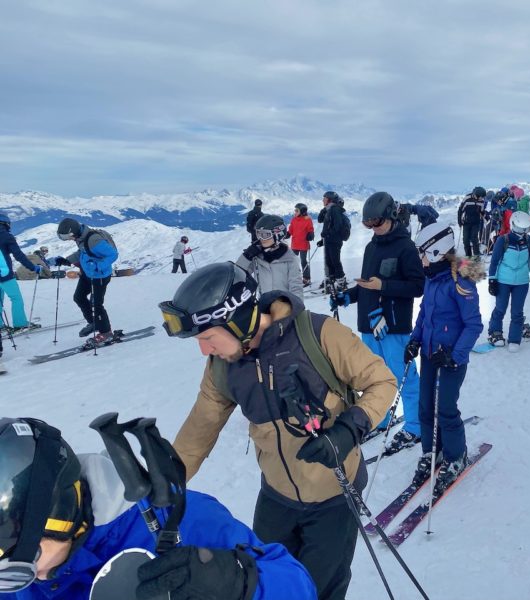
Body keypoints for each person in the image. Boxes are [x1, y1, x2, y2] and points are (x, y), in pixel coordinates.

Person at [159, 262, 395, 600]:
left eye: (208, 337)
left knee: (317, 592)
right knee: (267, 587)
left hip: (334, 498)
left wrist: (348, 429)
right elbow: (200, 428)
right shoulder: (223, 368)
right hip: (276, 498)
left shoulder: (319, 335)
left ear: (237, 319)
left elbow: (382, 382)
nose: (204, 350)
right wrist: (165, 484)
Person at [0, 416, 316, 599]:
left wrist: (237, 583)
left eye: (21, 567)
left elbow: (297, 587)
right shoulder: (18, 560)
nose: (28, 581)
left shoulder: (181, 522)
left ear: (62, 518)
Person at [331, 192, 425, 453]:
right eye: (368, 224)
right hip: (369, 326)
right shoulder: (371, 247)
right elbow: (366, 286)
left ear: (392, 217)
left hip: (393, 326)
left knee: (403, 376)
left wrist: (384, 285)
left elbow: (418, 286)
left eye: (377, 222)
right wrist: (346, 297)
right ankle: (381, 418)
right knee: (374, 377)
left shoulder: (405, 248)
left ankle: (416, 425)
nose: (373, 228)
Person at [405, 222, 484, 494]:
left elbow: (474, 325)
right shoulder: (431, 278)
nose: (421, 258)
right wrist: (415, 339)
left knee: (446, 409)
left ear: (438, 251)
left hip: (451, 360)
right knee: (426, 407)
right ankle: (431, 451)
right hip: (429, 356)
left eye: (423, 252)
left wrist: (455, 355)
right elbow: (425, 314)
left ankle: (455, 455)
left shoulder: (459, 282)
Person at [54, 219, 118, 342]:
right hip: (88, 273)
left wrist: (98, 266)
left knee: (96, 304)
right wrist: (66, 260)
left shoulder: (94, 240)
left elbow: (113, 254)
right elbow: (83, 252)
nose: (68, 239)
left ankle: (106, 333)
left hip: (99, 276)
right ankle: (93, 322)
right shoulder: (80, 237)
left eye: (67, 236)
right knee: (79, 297)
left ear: (73, 232)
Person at [486, 212, 530, 350]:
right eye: (519, 229)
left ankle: (514, 339)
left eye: (525, 229)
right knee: (500, 308)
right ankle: (495, 332)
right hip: (503, 281)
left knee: (517, 311)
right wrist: (492, 280)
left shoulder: (529, 241)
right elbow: (494, 262)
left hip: (522, 282)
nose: (522, 233)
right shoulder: (503, 240)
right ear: (512, 225)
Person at [238, 215, 303, 298]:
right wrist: (247, 256)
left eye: (265, 235)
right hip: (263, 305)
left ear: (278, 235)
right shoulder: (256, 256)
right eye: (259, 234)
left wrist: (293, 308)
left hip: (282, 306)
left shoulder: (290, 259)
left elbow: (296, 287)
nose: (261, 238)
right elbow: (238, 275)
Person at [0, 213, 42, 331]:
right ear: (6, 224)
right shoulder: (7, 236)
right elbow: (19, 256)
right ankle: (20, 324)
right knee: (16, 298)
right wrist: (33, 268)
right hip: (5, 275)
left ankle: (0, 327)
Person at [316, 191, 349, 289]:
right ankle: (332, 279)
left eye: (325, 198)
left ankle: (341, 281)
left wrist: (327, 234)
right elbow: (320, 219)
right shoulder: (329, 209)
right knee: (329, 261)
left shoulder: (335, 209)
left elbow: (337, 226)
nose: (323, 200)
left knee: (335, 261)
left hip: (335, 240)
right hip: (329, 240)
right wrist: (324, 239)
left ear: (329, 200)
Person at [287, 203, 315, 286]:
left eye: (297, 210)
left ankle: (306, 278)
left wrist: (311, 234)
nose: (295, 212)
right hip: (295, 243)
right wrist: (287, 234)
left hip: (303, 243)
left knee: (303, 261)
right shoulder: (294, 219)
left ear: (302, 211)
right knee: (293, 261)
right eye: (295, 210)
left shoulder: (307, 219)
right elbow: (291, 229)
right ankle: (294, 278)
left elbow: (310, 229)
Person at [458, 186, 485, 257]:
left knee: (474, 238)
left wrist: (485, 216)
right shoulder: (467, 199)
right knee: (465, 240)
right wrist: (459, 221)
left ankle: (476, 255)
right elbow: (460, 210)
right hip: (466, 222)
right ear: (476, 195)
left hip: (476, 222)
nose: (482, 199)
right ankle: (468, 255)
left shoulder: (481, 201)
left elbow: (482, 211)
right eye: (481, 197)